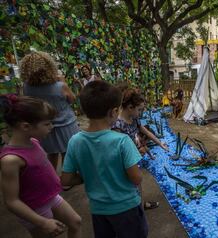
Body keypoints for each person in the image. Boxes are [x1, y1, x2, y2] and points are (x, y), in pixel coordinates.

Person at [61, 81, 148, 238]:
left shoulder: (75, 141)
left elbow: (66, 179)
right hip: (127, 208)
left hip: (99, 210)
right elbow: (136, 178)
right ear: (114, 112)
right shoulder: (122, 141)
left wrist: (87, 175)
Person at [0, 95, 81, 238]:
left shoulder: (34, 141)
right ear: (26, 126)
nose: (52, 127)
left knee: (75, 222)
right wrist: (42, 222)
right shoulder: (11, 160)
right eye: (47, 124)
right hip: (34, 209)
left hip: (51, 197)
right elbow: (11, 201)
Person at [20, 51, 80, 170]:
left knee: (50, 154)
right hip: (65, 124)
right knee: (67, 153)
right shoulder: (59, 86)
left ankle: (50, 178)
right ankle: (66, 178)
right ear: (49, 67)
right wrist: (63, 81)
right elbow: (72, 99)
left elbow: (28, 102)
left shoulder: (26, 87)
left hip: (43, 125)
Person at [112, 89, 168, 210]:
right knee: (132, 185)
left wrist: (159, 143)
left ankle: (142, 204)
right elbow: (117, 152)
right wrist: (137, 151)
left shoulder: (134, 118)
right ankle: (137, 209)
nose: (141, 113)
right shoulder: (117, 126)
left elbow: (145, 131)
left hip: (134, 158)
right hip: (125, 163)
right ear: (130, 107)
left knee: (138, 184)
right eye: (140, 109)